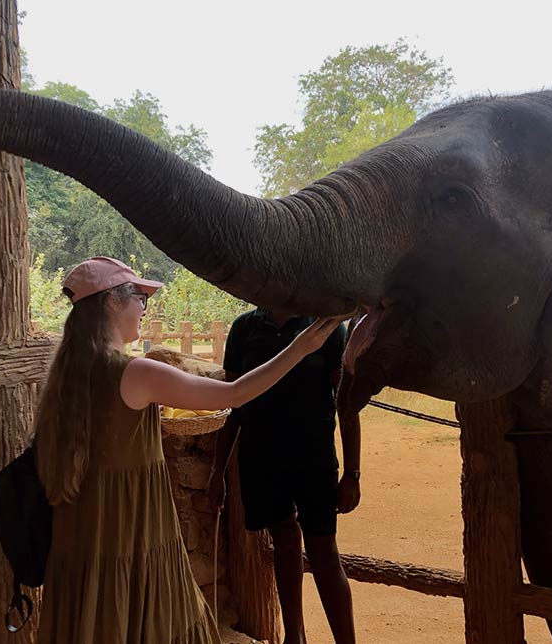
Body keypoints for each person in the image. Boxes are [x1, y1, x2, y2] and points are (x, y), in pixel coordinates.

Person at [33, 256, 344, 644]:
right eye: (139, 296)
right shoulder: (136, 372)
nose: (144, 306)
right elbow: (234, 394)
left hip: (81, 536)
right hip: (132, 533)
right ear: (112, 302)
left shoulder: (67, 378)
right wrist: (301, 348)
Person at [208, 308, 360, 644]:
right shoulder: (244, 328)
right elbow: (232, 405)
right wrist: (218, 471)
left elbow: (346, 403)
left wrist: (352, 472)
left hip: (314, 460)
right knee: (285, 542)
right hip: (261, 459)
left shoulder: (326, 327)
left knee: (323, 550)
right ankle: (295, 637)